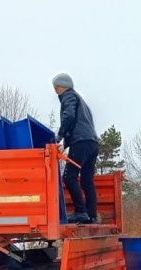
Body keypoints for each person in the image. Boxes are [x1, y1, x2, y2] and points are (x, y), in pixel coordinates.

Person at [53, 73, 99, 224]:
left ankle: (80, 211)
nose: (55, 91)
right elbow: (80, 124)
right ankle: (91, 215)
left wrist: (59, 137)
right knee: (87, 180)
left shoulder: (69, 96)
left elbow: (69, 117)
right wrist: (64, 145)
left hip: (81, 143)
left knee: (69, 176)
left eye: (56, 87)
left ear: (61, 87)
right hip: (92, 143)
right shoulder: (82, 101)